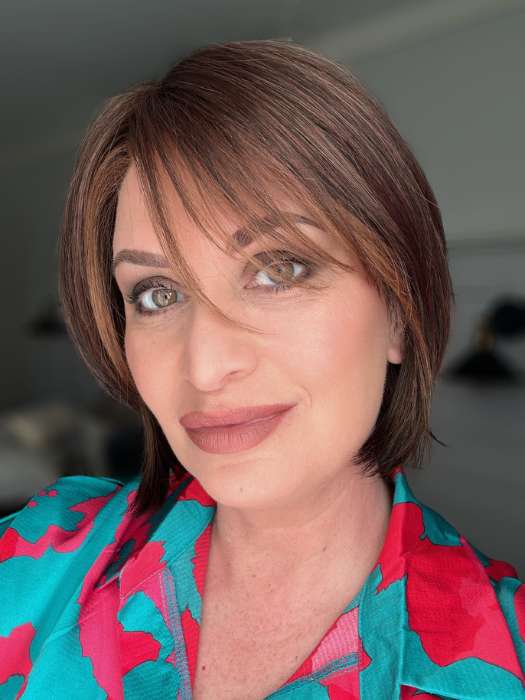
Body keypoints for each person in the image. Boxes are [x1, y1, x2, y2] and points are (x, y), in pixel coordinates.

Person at [0, 38, 523, 700]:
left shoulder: (507, 660)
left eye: (279, 269)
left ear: (398, 311)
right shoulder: (30, 566)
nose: (206, 365)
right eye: (157, 294)